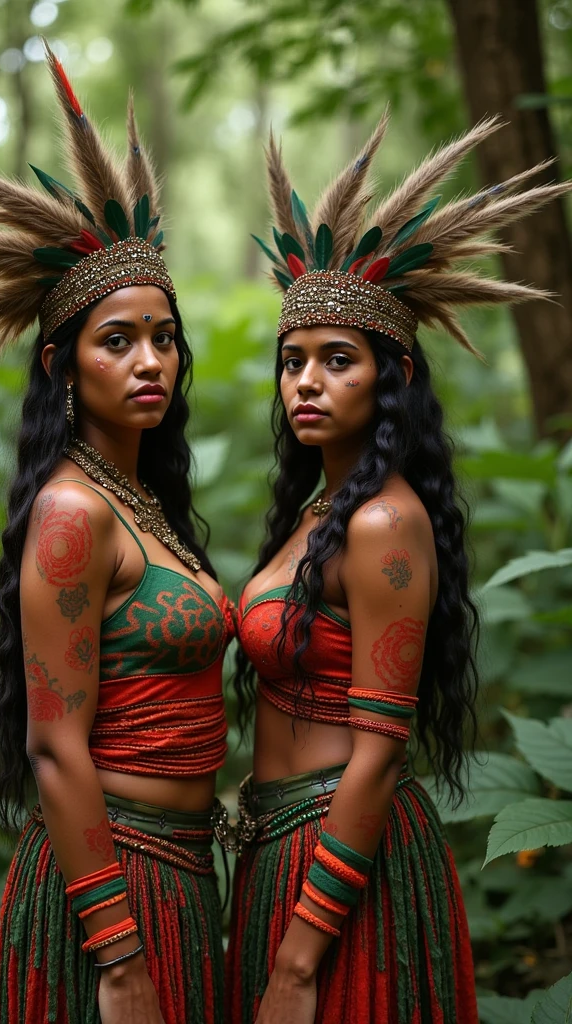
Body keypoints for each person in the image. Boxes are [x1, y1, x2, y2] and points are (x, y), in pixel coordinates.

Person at [0, 44, 232, 1024]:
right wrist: (118, 960)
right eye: (116, 340)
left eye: (164, 337)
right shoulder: (74, 511)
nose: (149, 359)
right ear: (61, 362)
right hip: (110, 896)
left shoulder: (142, 502)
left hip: (177, 876)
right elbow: (54, 748)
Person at [224, 109, 570, 1024]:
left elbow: (379, 753)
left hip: (344, 878)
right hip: (282, 859)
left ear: (394, 379)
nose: (305, 381)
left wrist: (298, 963)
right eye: (291, 361)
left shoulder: (383, 522)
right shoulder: (316, 509)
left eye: (338, 361)